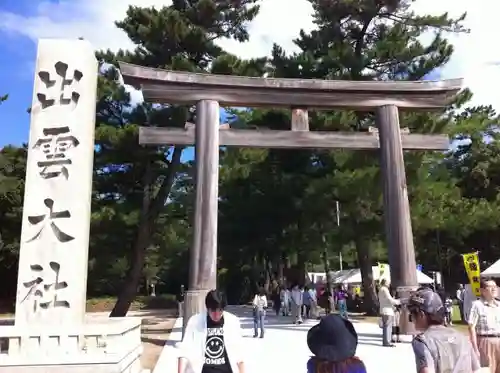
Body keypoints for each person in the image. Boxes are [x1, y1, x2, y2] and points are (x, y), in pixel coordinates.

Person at [409, 287, 480, 373]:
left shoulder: (422, 341)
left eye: (412, 314)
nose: (411, 319)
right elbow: (476, 370)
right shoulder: (462, 337)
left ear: (421, 315)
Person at [177, 289, 245, 373]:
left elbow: (239, 353)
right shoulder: (195, 321)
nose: (216, 315)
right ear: (207, 308)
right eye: (213, 310)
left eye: (220, 310)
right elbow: (185, 350)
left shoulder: (232, 321)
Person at [468, 278, 500, 373]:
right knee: (487, 370)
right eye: (490, 287)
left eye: (495, 286)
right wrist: (475, 348)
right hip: (486, 342)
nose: (494, 289)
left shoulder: (499, 305)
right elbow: (471, 327)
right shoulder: (477, 305)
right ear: (482, 290)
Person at [377, 279, 400, 347]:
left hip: (384, 309)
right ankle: (387, 342)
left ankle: (386, 341)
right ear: (385, 282)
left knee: (386, 327)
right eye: (388, 282)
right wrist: (398, 302)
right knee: (387, 327)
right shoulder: (385, 289)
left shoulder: (380, 289)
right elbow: (389, 299)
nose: (389, 283)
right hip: (387, 310)